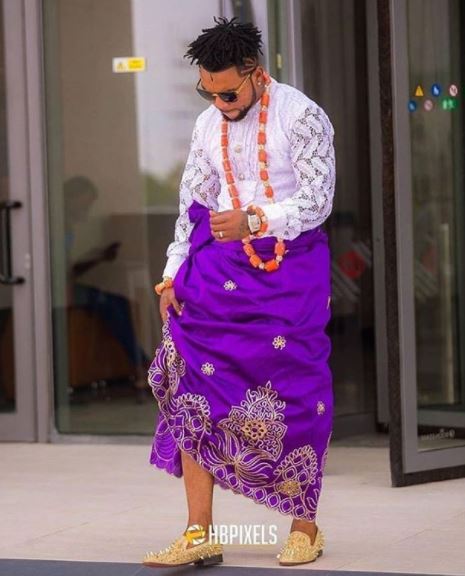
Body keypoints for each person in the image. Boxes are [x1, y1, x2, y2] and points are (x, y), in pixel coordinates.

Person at [144, 17, 336, 568]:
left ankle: (305, 527)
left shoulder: (301, 115)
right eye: (207, 91)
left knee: (296, 391)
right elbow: (192, 204)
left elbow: (319, 200)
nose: (219, 102)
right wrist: (172, 272)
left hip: (288, 268)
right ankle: (198, 532)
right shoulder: (208, 125)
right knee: (188, 381)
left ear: (255, 72)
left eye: (227, 92)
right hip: (218, 267)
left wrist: (256, 220)